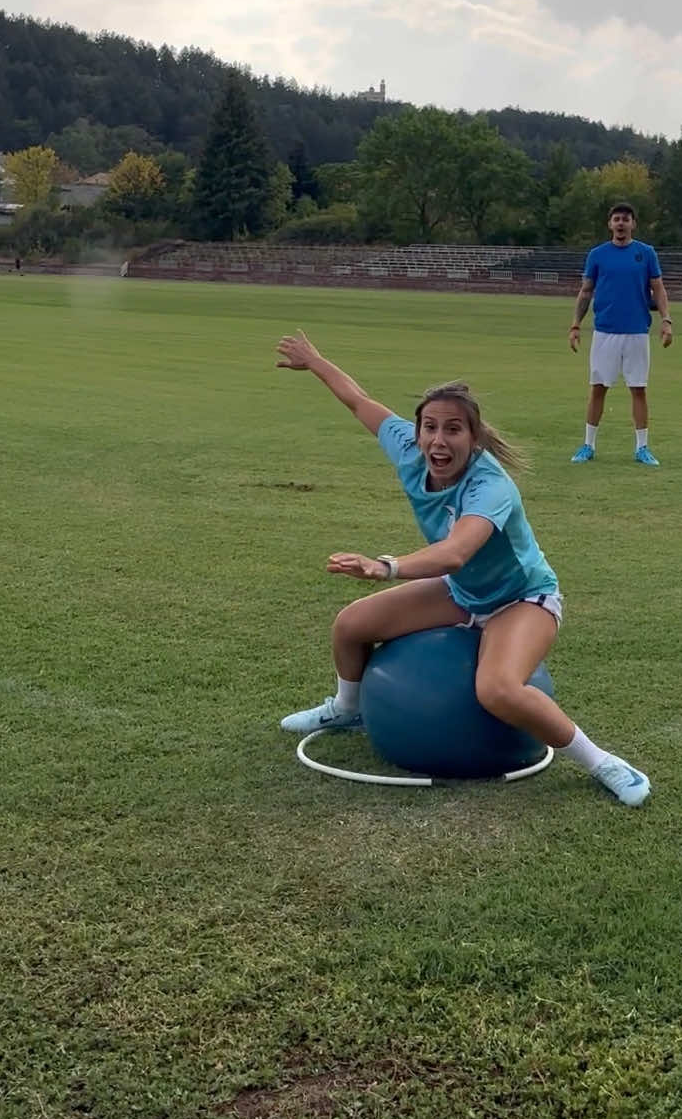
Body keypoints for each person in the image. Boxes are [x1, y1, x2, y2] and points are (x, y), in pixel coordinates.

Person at [275, 330, 650, 807]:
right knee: (351, 626)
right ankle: (348, 710)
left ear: (473, 438)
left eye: (453, 429)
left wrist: (386, 566)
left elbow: (455, 552)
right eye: (429, 427)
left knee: (497, 689)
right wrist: (315, 360)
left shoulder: (489, 484)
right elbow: (357, 400)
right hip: (463, 592)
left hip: (523, 600)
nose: (438, 439)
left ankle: (603, 762)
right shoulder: (409, 451)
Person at [568, 201, 672, 466]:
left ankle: (642, 448)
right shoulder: (598, 255)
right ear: (610, 224)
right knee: (598, 388)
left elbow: (658, 288)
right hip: (605, 332)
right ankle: (588, 445)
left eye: (626, 219)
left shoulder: (646, 253)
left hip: (637, 331)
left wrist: (666, 320)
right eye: (617, 219)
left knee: (638, 389)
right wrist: (576, 325)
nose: (621, 223)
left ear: (633, 224)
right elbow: (586, 291)